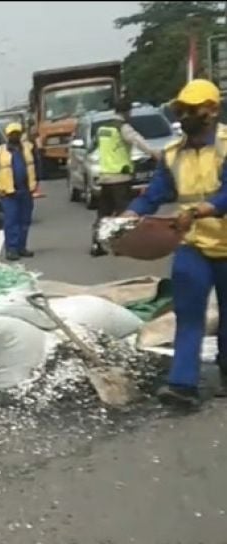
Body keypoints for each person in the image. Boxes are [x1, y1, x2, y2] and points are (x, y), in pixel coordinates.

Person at [123, 78, 227, 410]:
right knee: (188, 313)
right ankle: (183, 385)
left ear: (212, 111)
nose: (185, 116)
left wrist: (201, 209)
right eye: (181, 110)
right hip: (193, 244)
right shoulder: (172, 155)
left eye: (192, 110)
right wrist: (127, 217)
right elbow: (154, 195)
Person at [90, 99, 162, 256]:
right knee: (124, 214)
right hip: (120, 177)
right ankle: (122, 246)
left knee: (104, 213)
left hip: (105, 176)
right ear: (127, 112)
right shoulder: (123, 128)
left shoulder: (103, 128)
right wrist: (154, 154)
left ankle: (97, 244)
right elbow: (138, 141)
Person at [0, 122, 41, 261]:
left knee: (25, 221)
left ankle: (21, 248)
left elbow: (36, 165)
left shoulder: (29, 148)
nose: (15, 136)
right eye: (12, 134)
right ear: (7, 135)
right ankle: (11, 249)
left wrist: (36, 182)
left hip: (25, 191)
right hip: (8, 193)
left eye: (17, 133)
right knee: (11, 221)